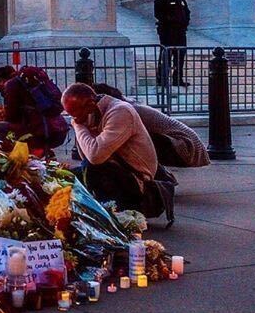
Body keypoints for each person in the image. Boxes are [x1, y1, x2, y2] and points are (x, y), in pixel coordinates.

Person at [61, 83, 172, 220]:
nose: (75, 119)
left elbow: (95, 157)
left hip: (138, 180)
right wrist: (83, 125)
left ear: (90, 104)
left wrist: (78, 127)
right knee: (66, 178)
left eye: (76, 115)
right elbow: (85, 155)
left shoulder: (120, 112)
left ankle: (112, 212)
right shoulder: (91, 112)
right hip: (116, 169)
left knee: (92, 169)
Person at [93, 84, 210, 168]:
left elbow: (101, 148)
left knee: (124, 142)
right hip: (186, 143)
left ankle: (151, 179)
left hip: (187, 147)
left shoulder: (124, 111)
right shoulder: (125, 104)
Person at [0, 65, 69, 153]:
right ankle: (45, 152)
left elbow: (11, 116)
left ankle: (24, 154)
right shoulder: (28, 80)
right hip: (60, 129)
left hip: (40, 133)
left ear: (1, 80)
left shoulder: (11, 85)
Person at [154, 0, 190, 87]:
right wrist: (173, 21)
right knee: (166, 56)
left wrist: (184, 23)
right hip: (168, 33)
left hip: (180, 33)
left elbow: (187, 13)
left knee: (180, 56)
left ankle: (178, 79)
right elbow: (159, 15)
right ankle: (162, 79)